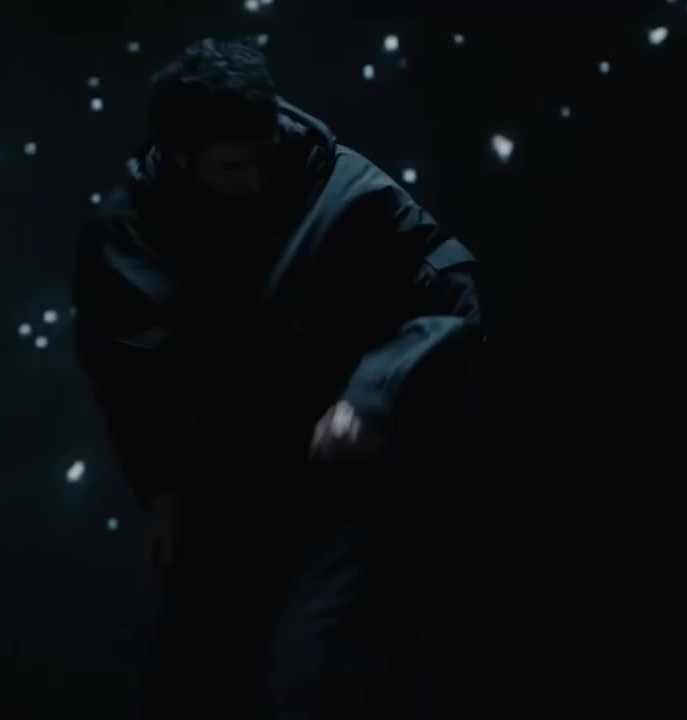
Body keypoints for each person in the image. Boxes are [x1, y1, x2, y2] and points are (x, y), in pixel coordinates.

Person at [72, 37, 484, 719]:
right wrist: (162, 488)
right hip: (222, 501)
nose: (256, 183)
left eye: (262, 159)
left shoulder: (345, 191)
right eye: (233, 168)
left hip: (341, 489)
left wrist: (371, 397)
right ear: (180, 155)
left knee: (317, 688)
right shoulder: (128, 229)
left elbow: (449, 295)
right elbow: (127, 369)